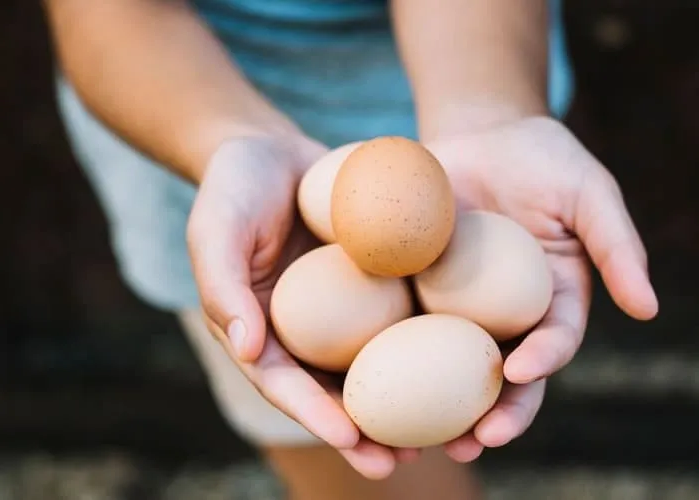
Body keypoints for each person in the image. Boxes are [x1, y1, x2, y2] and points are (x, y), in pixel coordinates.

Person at [43, 0, 659, 498]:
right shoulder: (268, 246)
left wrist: (487, 112)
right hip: (206, 158)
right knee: (345, 460)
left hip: (479, 115)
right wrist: (232, 141)